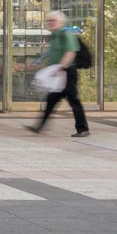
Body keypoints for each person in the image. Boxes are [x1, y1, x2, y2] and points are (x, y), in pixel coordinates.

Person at [26, 9, 89, 138]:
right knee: (51, 100)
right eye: (49, 21)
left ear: (61, 22)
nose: (51, 23)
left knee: (73, 101)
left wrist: (61, 67)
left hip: (67, 73)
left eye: (53, 21)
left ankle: (83, 129)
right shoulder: (54, 36)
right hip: (59, 74)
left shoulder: (66, 34)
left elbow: (71, 51)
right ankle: (39, 126)